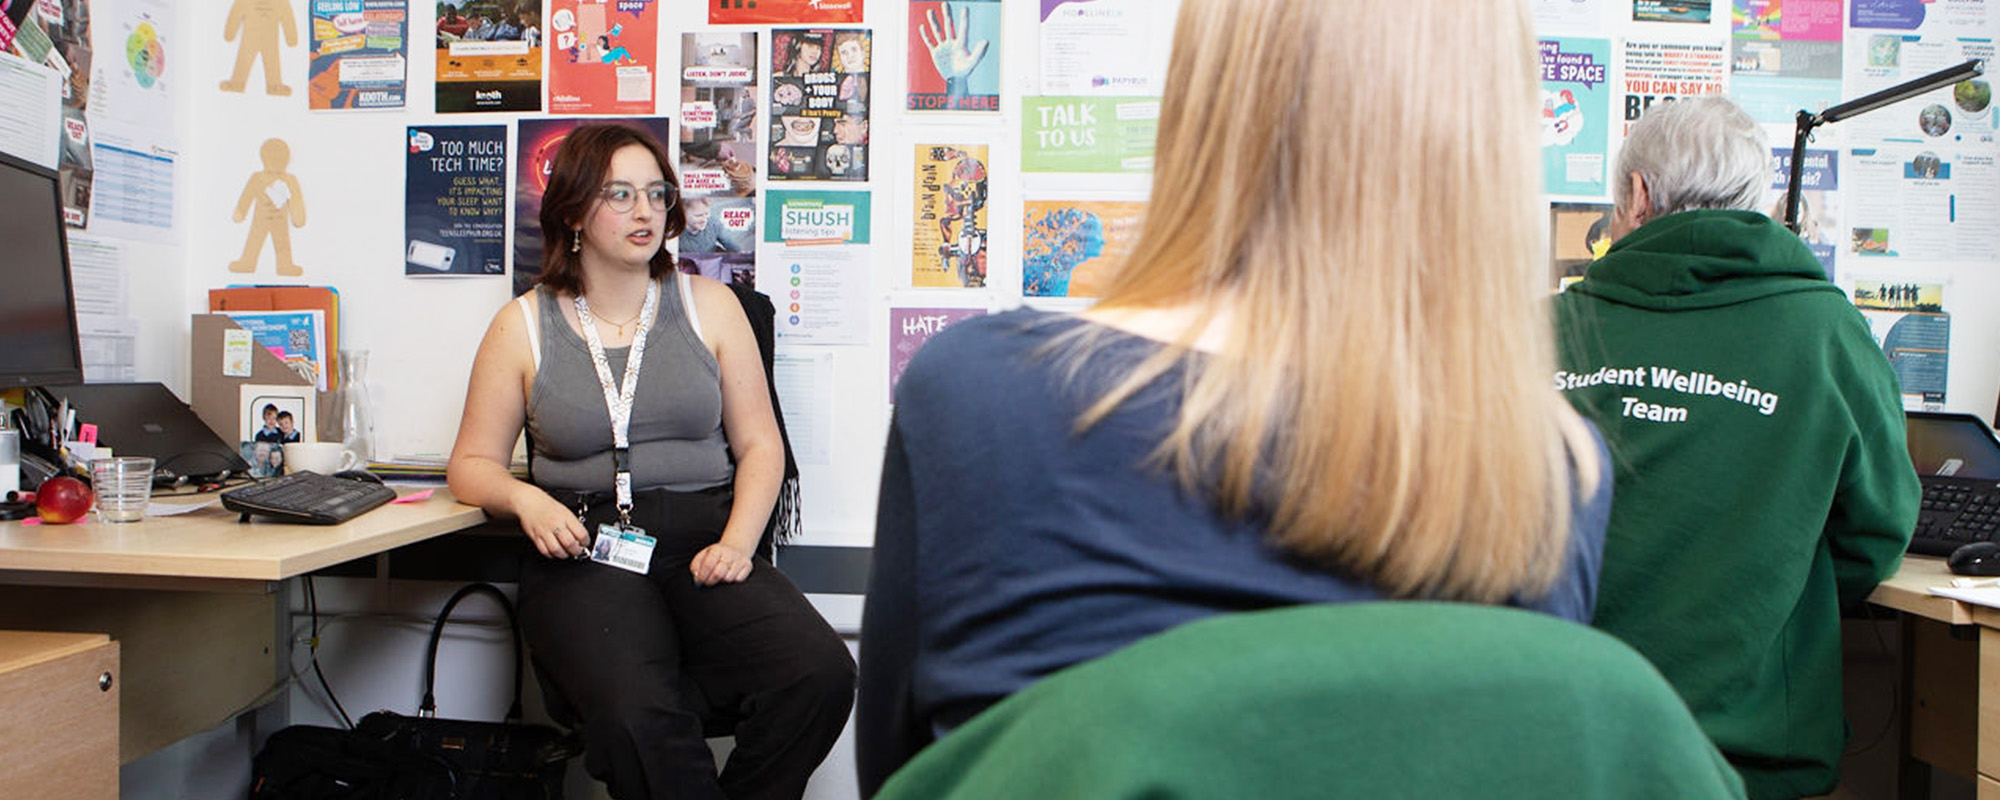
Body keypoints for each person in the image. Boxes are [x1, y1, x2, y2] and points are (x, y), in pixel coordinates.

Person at [856, 0, 1611, 793]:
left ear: (1209, 89)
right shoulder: (1550, 470)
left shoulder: (983, 398)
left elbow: (910, 781)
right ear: (1493, 123)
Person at [447, 123, 854, 800]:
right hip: (586, 550)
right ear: (574, 211)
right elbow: (471, 464)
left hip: (703, 543)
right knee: (637, 716)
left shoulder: (712, 308)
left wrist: (738, 544)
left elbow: (761, 447)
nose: (646, 211)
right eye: (620, 194)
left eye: (657, 193)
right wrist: (527, 500)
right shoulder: (522, 325)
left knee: (819, 674)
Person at [1552, 96, 1919, 800]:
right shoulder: (1828, 334)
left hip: (1564, 743)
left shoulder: (1541, 330)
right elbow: (1875, 538)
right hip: (1746, 765)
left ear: (1636, 195)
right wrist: (1767, 589)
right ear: (1757, 203)